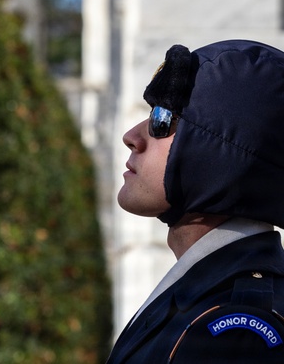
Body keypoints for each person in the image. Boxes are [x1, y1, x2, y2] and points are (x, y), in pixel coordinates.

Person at [106, 40, 284, 363]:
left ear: (221, 156)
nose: (132, 136)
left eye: (162, 120)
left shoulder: (235, 332)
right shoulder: (205, 295)